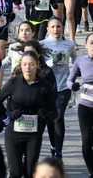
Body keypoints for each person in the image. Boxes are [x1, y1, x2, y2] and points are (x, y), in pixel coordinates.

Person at [0, 51, 57, 178]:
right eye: (25, 64)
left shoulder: (44, 86)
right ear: (21, 65)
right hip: (13, 134)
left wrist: (46, 115)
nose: (28, 68)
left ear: (37, 64)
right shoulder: (13, 83)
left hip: (33, 135)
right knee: (16, 172)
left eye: (31, 64)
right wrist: (8, 114)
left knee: (30, 172)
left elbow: (54, 112)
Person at [40, 16, 77, 160]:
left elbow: (74, 58)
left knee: (58, 116)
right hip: (47, 87)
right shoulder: (42, 44)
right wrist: (52, 61)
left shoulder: (69, 44)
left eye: (59, 26)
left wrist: (76, 74)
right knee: (51, 118)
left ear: (63, 28)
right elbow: (40, 66)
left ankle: (58, 152)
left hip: (63, 85)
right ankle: (53, 146)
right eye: (53, 27)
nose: (56, 29)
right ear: (48, 29)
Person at [66, 32, 93, 176]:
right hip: (86, 105)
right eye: (92, 43)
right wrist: (72, 86)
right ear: (86, 45)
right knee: (87, 140)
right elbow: (69, 80)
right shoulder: (81, 61)